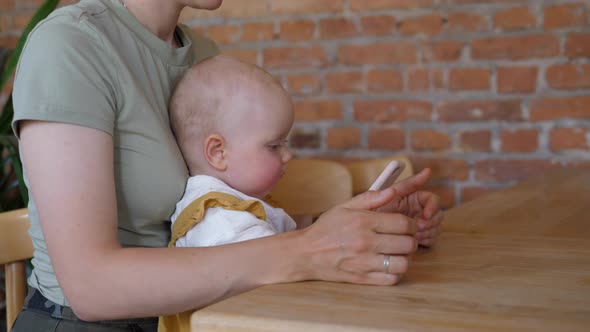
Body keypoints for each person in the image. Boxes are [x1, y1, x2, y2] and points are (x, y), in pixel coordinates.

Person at [10, 0, 443, 331]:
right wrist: (309, 249)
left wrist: (358, 226)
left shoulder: (202, 55)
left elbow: (222, 216)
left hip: (200, 314)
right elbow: (91, 287)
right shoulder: (72, 46)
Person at [167, 55, 297, 251]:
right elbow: (276, 265)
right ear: (218, 153)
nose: (287, 155)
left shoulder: (236, 204)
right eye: (274, 146)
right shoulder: (221, 221)